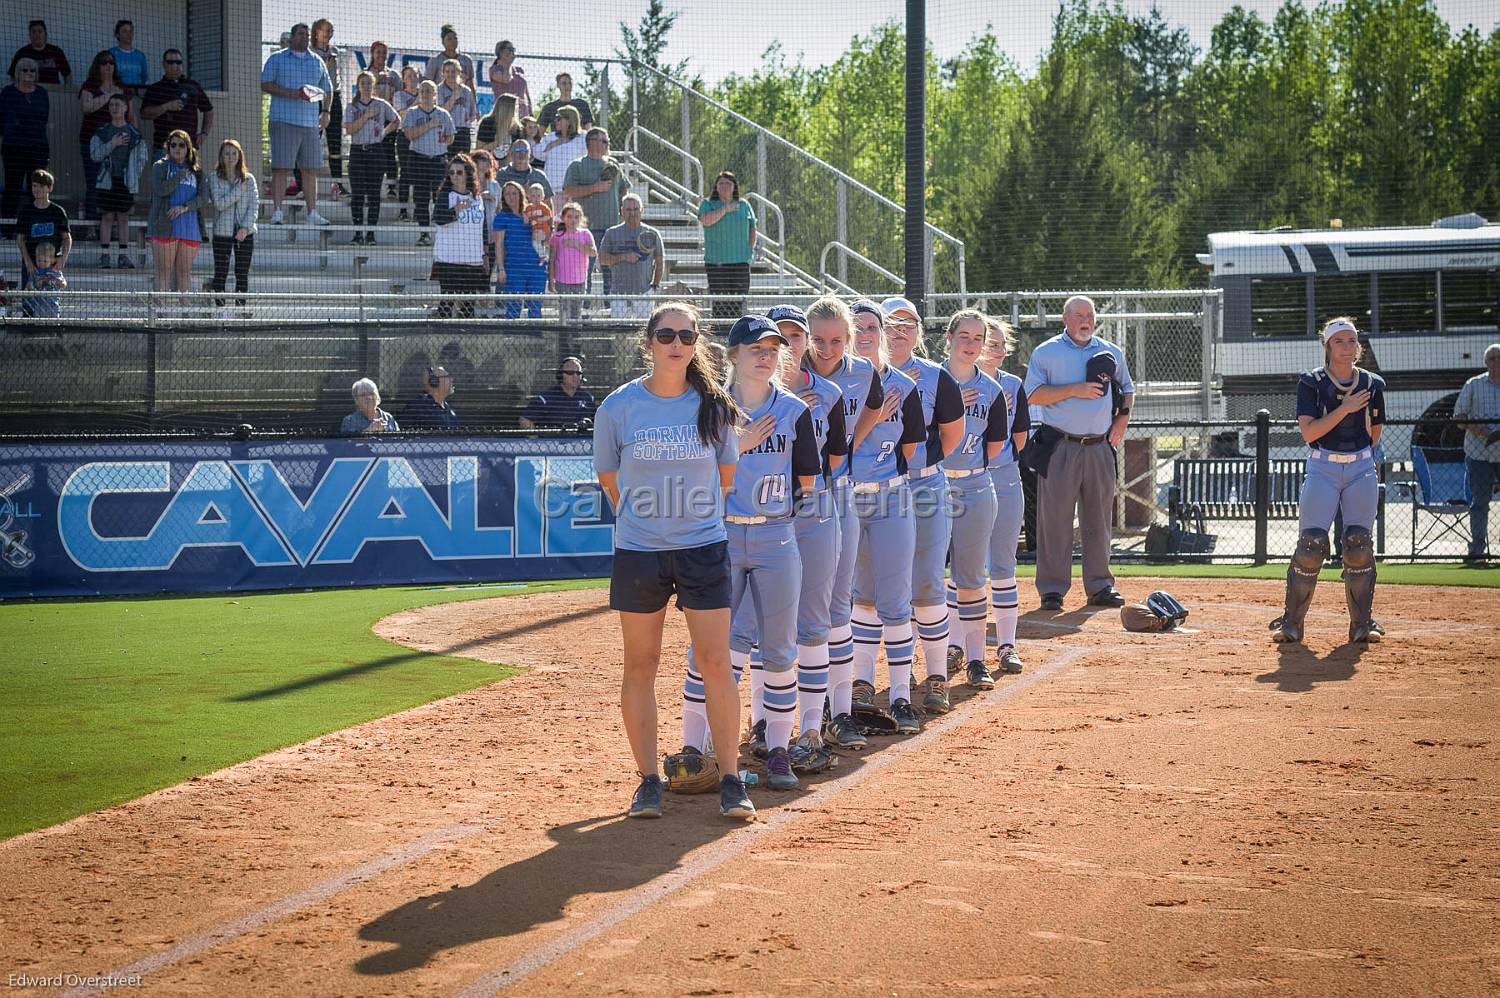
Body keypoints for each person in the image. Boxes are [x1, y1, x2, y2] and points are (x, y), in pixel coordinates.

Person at [591, 301, 754, 820]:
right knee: (641, 664)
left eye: (687, 335)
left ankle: (730, 779)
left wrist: (687, 519)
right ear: (648, 343)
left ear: (698, 343)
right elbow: (610, 481)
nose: (677, 344)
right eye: (666, 335)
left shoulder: (715, 405)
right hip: (639, 550)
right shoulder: (618, 408)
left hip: (702, 547)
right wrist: (649, 521)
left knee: (715, 663)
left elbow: (726, 478)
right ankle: (647, 782)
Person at [798, 298, 893, 749]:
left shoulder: (862, 371)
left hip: (840, 491)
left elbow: (872, 407)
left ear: (851, 338)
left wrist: (851, 440)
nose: (827, 348)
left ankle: (839, 714)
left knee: (839, 603)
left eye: (837, 340)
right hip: (791, 497)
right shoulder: (792, 368)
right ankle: (767, 719)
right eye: (818, 339)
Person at [1271, 318, 1387, 644]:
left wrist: (1356, 419)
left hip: (1361, 467)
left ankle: (1362, 625)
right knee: (1311, 545)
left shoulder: (1373, 383)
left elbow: (1374, 436)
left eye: (1351, 341)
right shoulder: (1312, 383)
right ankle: (1292, 624)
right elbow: (1310, 433)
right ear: (1328, 346)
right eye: (1339, 341)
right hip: (1323, 467)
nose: (1346, 347)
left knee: (1358, 544)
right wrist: (1345, 408)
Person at [880, 296, 965, 713]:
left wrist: (919, 466)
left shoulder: (937, 377)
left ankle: (936, 677)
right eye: (891, 323)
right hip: (879, 491)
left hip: (926, 486)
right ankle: (895, 671)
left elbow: (950, 436)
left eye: (908, 324)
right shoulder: (864, 374)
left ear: (919, 331)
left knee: (928, 580)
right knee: (878, 586)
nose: (899, 331)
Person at [1024, 294, 1132, 611]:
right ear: (1065, 318)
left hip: (1099, 446)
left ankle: (1100, 586)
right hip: (1061, 445)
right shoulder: (1046, 352)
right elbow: (1032, 395)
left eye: (1090, 314)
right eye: (1079, 314)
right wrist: (1075, 389)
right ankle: (1052, 589)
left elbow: (1127, 389)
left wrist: (1122, 419)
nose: (1086, 320)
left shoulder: (1110, 351)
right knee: (1054, 521)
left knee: (1098, 521)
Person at [938, 311, 1013, 692]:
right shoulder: (930, 381)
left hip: (975, 485)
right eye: (963, 335)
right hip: (931, 488)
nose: (970, 344)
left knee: (969, 579)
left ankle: (976, 660)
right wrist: (949, 412)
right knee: (928, 581)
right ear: (949, 337)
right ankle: (935, 665)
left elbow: (996, 446)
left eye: (977, 338)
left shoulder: (993, 390)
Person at [958, 316, 1031, 678]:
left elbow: (1018, 440)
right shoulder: (950, 381)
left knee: (1002, 564)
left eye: (1002, 344)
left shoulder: (1012, 385)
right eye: (993, 343)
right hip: (959, 481)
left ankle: (1006, 645)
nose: (998, 350)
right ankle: (957, 644)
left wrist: (994, 463)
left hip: (1002, 478)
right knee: (960, 568)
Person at [260, 25, 331, 226]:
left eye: (308, 35)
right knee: (281, 168)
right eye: (301, 34)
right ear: (291, 37)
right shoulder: (277, 58)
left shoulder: (317, 61)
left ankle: (312, 213)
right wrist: (292, 93)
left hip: (310, 124)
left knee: (310, 169)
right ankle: (277, 212)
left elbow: (328, 89)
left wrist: (325, 112)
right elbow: (265, 84)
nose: (305, 38)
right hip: (283, 121)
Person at [563, 127, 628, 302]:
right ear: (592, 142)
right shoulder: (577, 165)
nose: (608, 144)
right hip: (585, 230)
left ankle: (611, 308)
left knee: (612, 271)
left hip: (612, 229)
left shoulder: (613, 165)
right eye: (604, 141)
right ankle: (583, 309)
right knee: (584, 270)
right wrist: (594, 187)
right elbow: (568, 190)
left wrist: (624, 213)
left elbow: (624, 190)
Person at [78, 50, 135, 237]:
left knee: (118, 183)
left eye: (111, 62)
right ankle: (92, 227)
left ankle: (116, 230)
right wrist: (109, 95)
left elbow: (132, 117)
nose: (108, 66)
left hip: (121, 143)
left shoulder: (123, 88)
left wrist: (135, 138)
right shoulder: (90, 86)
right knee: (94, 182)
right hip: (94, 142)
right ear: (97, 66)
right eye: (103, 62)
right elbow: (86, 108)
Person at [88, 94, 146, 269]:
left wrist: (133, 174)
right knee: (106, 217)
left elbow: (143, 158)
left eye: (118, 104)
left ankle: (123, 255)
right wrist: (112, 143)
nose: (115, 108)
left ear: (126, 108)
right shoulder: (103, 131)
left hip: (125, 182)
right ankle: (105, 255)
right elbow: (95, 155)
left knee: (123, 218)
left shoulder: (134, 134)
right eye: (111, 104)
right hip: (107, 181)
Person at [147, 129, 208, 296]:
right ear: (168, 147)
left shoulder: (197, 171)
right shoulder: (160, 167)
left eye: (182, 145)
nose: (177, 148)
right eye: (173, 144)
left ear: (188, 148)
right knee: (163, 271)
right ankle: (160, 314)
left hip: (189, 227)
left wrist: (184, 207)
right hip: (165, 226)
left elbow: (204, 197)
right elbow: (160, 190)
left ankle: (184, 314)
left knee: (184, 272)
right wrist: (179, 176)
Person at [1454, 344, 1500, 564]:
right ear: (1485, 362)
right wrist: (1482, 431)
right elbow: (1459, 416)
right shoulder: (1473, 385)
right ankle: (1477, 551)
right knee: (1480, 503)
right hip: (1478, 454)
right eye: (1492, 358)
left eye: (1499, 358)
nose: (1496, 362)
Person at [344, 71, 400, 244]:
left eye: (369, 83)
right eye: (363, 83)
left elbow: (397, 120)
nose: (366, 86)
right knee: (358, 195)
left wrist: (384, 132)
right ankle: (357, 232)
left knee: (374, 195)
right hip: (357, 151)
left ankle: (370, 234)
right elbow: (349, 129)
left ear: (373, 85)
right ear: (358, 86)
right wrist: (367, 115)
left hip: (376, 151)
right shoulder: (352, 107)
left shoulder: (381, 104)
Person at [429, 154, 488, 318]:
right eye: (452, 172)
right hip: (449, 258)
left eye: (459, 172)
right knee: (447, 301)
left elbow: (483, 226)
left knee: (469, 303)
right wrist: (456, 210)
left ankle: (467, 335)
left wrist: (485, 252)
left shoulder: (477, 198)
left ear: (468, 173)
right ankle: (444, 335)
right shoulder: (445, 196)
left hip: (472, 258)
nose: (455, 176)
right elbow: (438, 219)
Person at [205, 138, 258, 314]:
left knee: (242, 272)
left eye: (234, 153)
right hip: (222, 232)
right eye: (226, 153)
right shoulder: (213, 177)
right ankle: (220, 310)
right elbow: (218, 204)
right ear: (221, 156)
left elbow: (254, 205)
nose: (230, 157)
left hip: (245, 233)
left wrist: (245, 227)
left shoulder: (249, 179)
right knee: (221, 270)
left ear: (239, 156)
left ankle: (241, 309)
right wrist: (237, 192)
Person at [401, 80, 454, 244]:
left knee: (441, 196)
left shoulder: (444, 114)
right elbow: (409, 135)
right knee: (421, 198)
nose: (425, 94)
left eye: (429, 91)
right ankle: (424, 233)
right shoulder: (412, 113)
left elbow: (451, 137)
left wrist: (445, 138)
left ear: (435, 94)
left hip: (438, 160)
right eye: (422, 91)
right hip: (418, 158)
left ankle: (441, 233)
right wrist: (430, 125)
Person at [698, 171, 757, 320]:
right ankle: (720, 333)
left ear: (734, 187)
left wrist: (749, 249)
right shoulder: (708, 204)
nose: (725, 186)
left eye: (728, 183)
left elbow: (752, 228)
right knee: (720, 301)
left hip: (741, 261)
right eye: (721, 183)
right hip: (717, 262)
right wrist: (725, 209)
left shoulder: (744, 205)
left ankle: (738, 332)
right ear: (716, 187)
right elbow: (706, 221)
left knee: (739, 300)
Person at [1, 60, 50, 235]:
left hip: (37, 148)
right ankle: (7, 230)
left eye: (33, 70)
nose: (29, 73)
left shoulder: (42, 93)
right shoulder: (8, 93)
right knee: (12, 188)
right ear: (17, 72)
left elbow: (44, 118)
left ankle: (33, 229)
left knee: (36, 188)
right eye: (24, 70)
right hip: (13, 148)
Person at [598, 193, 663, 320]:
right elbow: (602, 259)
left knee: (644, 331)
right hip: (618, 293)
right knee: (619, 331)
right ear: (622, 211)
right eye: (628, 209)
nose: (632, 213)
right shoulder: (612, 233)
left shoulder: (653, 233)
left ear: (642, 210)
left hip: (644, 292)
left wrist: (654, 285)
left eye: (635, 209)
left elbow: (660, 261)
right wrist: (623, 257)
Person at [491, 180, 546, 320]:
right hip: (514, 267)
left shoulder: (532, 212)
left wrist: (544, 236)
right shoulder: (501, 217)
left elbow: (547, 232)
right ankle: (512, 335)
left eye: (514, 193)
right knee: (514, 304)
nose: (511, 196)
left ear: (521, 194)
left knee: (535, 304)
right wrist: (501, 269)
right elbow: (499, 245)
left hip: (536, 266)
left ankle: (535, 335)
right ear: (503, 197)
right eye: (507, 194)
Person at [141, 49, 212, 153]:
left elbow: (209, 110)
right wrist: (166, 107)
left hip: (189, 147)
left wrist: (204, 133)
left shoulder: (193, 86)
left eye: (178, 62)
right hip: (164, 148)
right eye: (171, 62)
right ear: (164, 64)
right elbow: (144, 114)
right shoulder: (156, 88)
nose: (175, 66)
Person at [14, 169, 70, 289]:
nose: (37, 189)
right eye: (34, 185)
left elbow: (67, 238)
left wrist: (62, 260)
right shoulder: (25, 212)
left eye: (41, 186)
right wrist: (28, 262)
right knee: (29, 301)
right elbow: (20, 239)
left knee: (51, 302)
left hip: (52, 266)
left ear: (49, 188)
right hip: (32, 266)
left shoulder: (58, 212)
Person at [309, 20, 344, 187]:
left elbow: (335, 78)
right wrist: (325, 66)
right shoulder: (310, 53)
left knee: (335, 141)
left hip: (334, 97)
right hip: (315, 97)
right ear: (317, 32)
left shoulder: (334, 51)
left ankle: (337, 183)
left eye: (331, 30)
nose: (329, 34)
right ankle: (305, 182)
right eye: (326, 31)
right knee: (312, 138)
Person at [520, 356, 596, 429]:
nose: (575, 376)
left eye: (578, 373)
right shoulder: (546, 398)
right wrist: (537, 440)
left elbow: (597, 421)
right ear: (560, 375)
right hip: (554, 441)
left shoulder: (587, 397)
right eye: (570, 372)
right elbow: (525, 421)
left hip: (582, 441)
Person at [549, 203, 595, 323]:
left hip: (580, 280)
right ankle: (564, 339)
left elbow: (593, 252)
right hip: (562, 281)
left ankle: (575, 338)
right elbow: (552, 259)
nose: (573, 220)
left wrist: (576, 244)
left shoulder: (585, 234)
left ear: (581, 218)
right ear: (563, 218)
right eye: (569, 216)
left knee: (576, 312)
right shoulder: (557, 236)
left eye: (576, 217)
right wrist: (550, 280)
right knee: (564, 312)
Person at [391, 66, 420, 220]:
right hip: (404, 135)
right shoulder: (399, 95)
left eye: (414, 75)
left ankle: (417, 210)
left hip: (421, 136)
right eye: (409, 76)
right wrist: (419, 100)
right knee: (405, 172)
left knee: (418, 173)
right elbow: (403, 114)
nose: (412, 79)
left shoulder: (427, 94)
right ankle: (403, 210)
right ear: (403, 79)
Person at [538, 105, 585, 198]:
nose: (556, 121)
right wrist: (554, 144)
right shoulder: (551, 137)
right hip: (552, 188)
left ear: (569, 120)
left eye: (558, 118)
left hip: (573, 188)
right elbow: (538, 154)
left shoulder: (582, 138)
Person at [437, 59, 477, 157]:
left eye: (453, 71)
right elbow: (441, 112)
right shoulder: (439, 89)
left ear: (459, 72)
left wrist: (469, 118)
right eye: (447, 71)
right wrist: (454, 96)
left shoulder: (466, 90)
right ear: (443, 73)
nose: (450, 74)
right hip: (446, 131)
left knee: (463, 160)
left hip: (463, 131)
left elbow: (473, 113)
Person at [9, 20, 69, 84]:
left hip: (52, 90)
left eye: (40, 32)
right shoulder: (22, 53)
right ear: (30, 35)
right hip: (29, 91)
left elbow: (67, 75)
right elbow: (12, 76)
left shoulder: (56, 52)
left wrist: (67, 91)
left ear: (45, 34)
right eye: (33, 32)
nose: (37, 35)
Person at [403, 365, 460, 429]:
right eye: (447, 376)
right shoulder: (419, 407)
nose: (452, 379)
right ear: (434, 382)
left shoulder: (448, 408)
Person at [21, 241, 64, 317]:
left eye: (45, 261)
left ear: (52, 260)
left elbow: (64, 284)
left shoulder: (55, 271)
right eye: (39, 260)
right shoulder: (35, 272)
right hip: (38, 304)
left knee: (53, 324)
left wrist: (59, 282)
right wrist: (29, 287)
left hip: (53, 304)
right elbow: (29, 286)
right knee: (39, 325)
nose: (41, 263)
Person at [487, 40, 530, 116]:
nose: (512, 52)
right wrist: (507, 64)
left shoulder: (519, 70)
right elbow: (507, 79)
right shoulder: (495, 69)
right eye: (509, 49)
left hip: (523, 112)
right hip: (505, 111)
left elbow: (526, 92)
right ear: (501, 52)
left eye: (513, 49)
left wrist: (530, 111)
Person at [475, 92, 520, 160]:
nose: (517, 110)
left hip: (509, 165)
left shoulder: (516, 127)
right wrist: (493, 144)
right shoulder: (487, 122)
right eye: (515, 107)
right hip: (489, 162)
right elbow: (478, 149)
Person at [109, 20, 148, 87]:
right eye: (124, 31)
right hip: (118, 92)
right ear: (117, 34)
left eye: (130, 31)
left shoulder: (140, 55)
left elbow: (144, 77)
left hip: (136, 93)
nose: (128, 34)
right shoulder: (111, 53)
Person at [523, 182, 553, 258]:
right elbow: (525, 215)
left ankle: (543, 256)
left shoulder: (543, 207)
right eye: (533, 196)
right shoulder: (528, 208)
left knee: (536, 242)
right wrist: (526, 218)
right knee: (535, 243)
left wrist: (540, 219)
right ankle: (542, 255)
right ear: (529, 197)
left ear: (543, 197)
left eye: (538, 196)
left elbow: (549, 216)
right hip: (533, 229)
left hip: (543, 229)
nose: (536, 198)